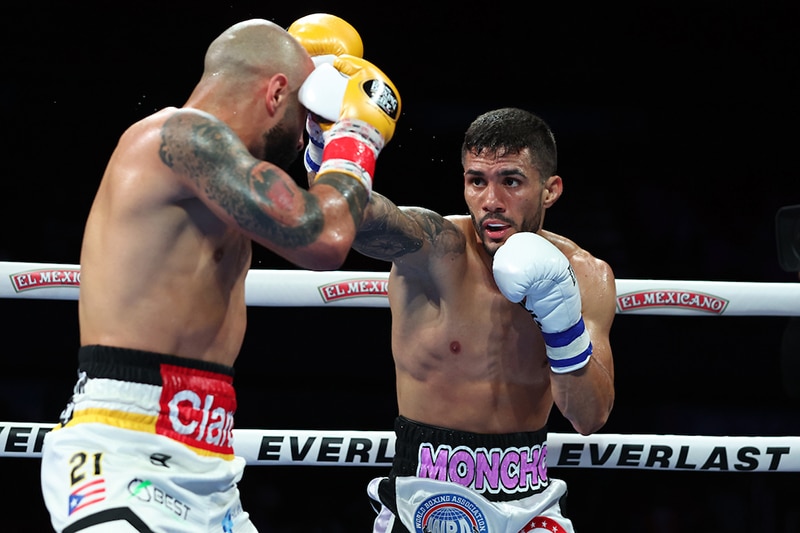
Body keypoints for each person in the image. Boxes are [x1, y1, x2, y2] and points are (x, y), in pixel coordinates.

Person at [39, 15, 400, 532]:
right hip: (125, 448)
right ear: (276, 92)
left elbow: (327, 214)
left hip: (208, 462)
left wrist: (328, 149)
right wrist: (357, 133)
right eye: (304, 118)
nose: (303, 136)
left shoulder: (222, 175)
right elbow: (325, 236)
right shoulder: (182, 136)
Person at [351, 107, 616, 532]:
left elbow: (589, 418)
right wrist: (339, 145)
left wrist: (562, 324)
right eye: (477, 181)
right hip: (423, 494)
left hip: (528, 499)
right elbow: (355, 222)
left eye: (510, 181)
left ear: (550, 190)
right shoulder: (436, 249)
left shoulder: (585, 274)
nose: (491, 201)